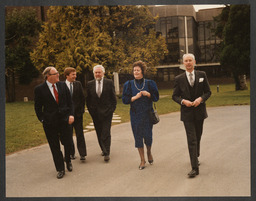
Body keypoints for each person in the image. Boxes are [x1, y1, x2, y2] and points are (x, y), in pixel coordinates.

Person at [172, 53, 211, 178]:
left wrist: (201, 99)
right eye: (186, 61)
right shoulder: (178, 79)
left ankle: (196, 155)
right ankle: (194, 167)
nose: (188, 63)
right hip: (187, 114)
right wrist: (183, 101)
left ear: (194, 62)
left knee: (198, 136)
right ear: (183, 63)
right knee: (191, 139)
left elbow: (208, 92)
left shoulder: (202, 75)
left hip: (200, 112)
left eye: (190, 60)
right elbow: (175, 96)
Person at [34, 67, 74, 179]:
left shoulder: (62, 85)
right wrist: (42, 120)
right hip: (50, 123)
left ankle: (68, 161)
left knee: (67, 143)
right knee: (54, 146)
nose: (58, 75)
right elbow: (37, 108)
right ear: (48, 76)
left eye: (57, 73)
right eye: (55, 73)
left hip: (65, 120)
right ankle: (60, 168)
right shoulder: (39, 89)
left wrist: (71, 115)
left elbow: (70, 102)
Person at [122, 61, 159, 170]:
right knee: (138, 137)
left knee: (148, 136)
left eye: (138, 70)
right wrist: (135, 97)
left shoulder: (150, 83)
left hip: (147, 114)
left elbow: (156, 97)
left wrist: (149, 94)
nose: (136, 72)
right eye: (134, 70)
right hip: (135, 114)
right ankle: (142, 160)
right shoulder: (128, 84)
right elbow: (125, 100)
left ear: (142, 71)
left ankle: (149, 152)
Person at [86, 65, 117, 162]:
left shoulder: (109, 82)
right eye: (96, 72)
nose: (97, 74)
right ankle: (103, 149)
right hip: (95, 113)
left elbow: (113, 98)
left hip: (107, 112)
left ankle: (107, 152)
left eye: (99, 72)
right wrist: (91, 111)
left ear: (103, 73)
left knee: (106, 132)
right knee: (99, 132)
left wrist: (111, 110)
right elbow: (88, 99)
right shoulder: (90, 84)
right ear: (94, 73)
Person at [64, 67, 87, 161]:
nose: (75, 76)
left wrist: (81, 111)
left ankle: (82, 154)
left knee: (80, 134)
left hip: (78, 115)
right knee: (68, 135)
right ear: (67, 75)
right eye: (73, 74)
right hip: (66, 116)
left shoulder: (78, 84)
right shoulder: (61, 85)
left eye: (75, 74)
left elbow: (82, 98)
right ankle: (71, 153)